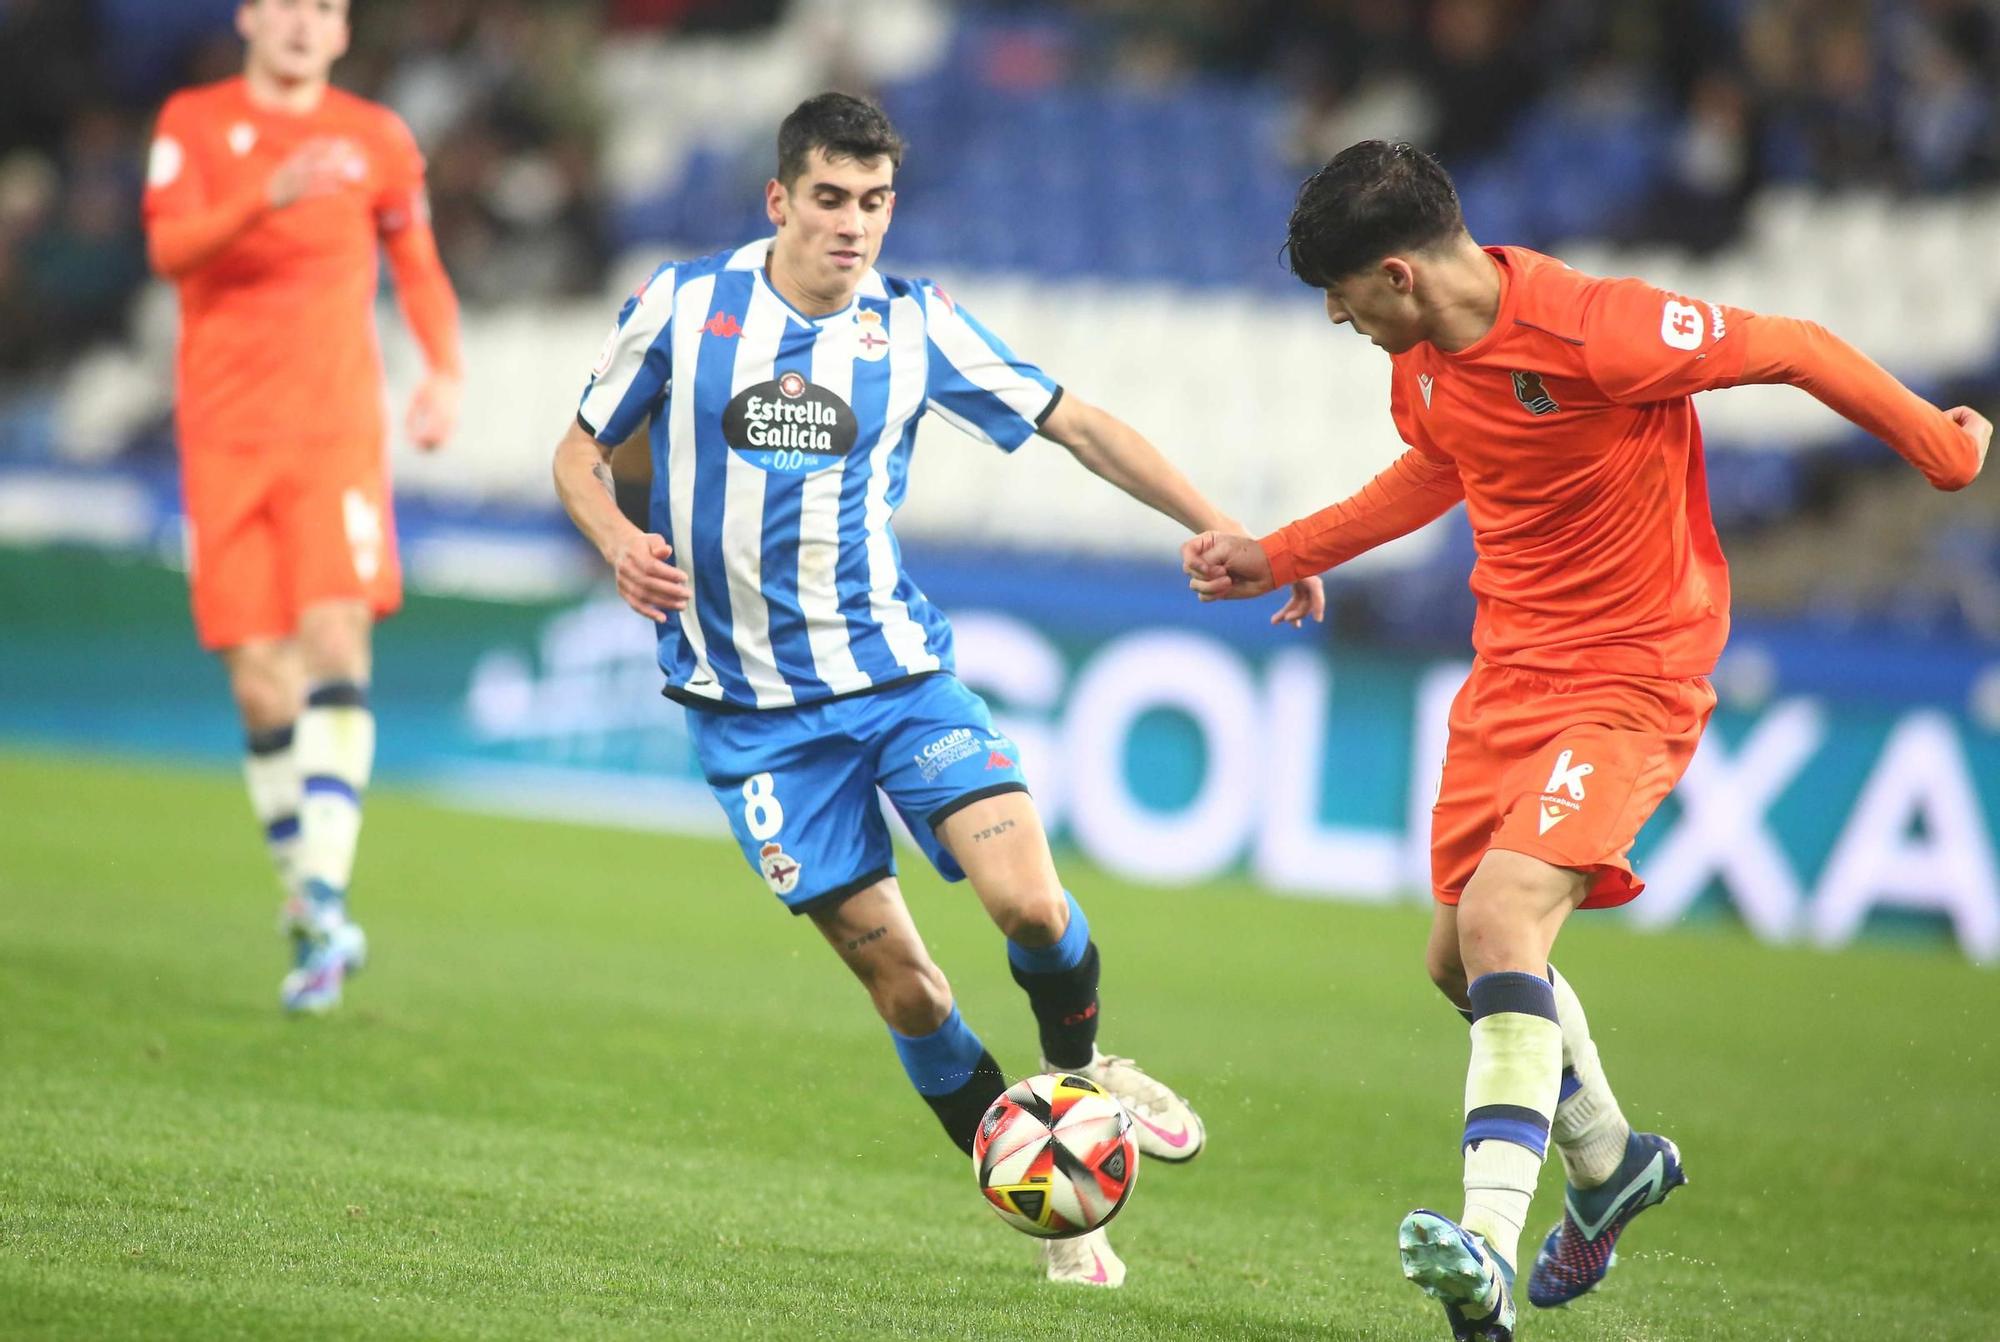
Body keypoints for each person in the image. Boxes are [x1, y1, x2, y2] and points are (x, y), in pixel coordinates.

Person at [1183, 140, 1988, 1340]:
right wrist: (1284, 553)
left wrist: (1942, 446)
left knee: (1506, 922)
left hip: (1630, 676)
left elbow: (1797, 346)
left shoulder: (1599, 330)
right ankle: (1609, 1164)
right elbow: (1435, 470)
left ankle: (1486, 1253)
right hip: (1507, 678)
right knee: (1456, 962)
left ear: (1395, 276)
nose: (1336, 318)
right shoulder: (1420, 366)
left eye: (1340, 295)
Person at [552, 92, 1323, 1287]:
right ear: (779, 200)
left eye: (873, 202)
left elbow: (1077, 425)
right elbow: (578, 447)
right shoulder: (682, 304)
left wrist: (1231, 528)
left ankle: (1084, 1071)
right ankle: (1069, 1211)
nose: (852, 226)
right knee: (904, 983)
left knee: (1029, 907)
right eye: (828, 200)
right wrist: (611, 534)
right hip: (752, 720)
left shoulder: (914, 328)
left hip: (898, 681)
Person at [143, 0, 463, 1014]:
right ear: (248, 16)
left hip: (333, 439)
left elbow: (416, 263)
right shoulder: (193, 123)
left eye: (322, 7)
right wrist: (263, 195)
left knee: (335, 639)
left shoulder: (375, 137)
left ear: (340, 32)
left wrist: (443, 372)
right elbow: (169, 250)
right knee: (259, 689)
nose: (299, 20)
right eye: (283, 1)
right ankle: (308, 896)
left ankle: (324, 898)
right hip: (223, 437)